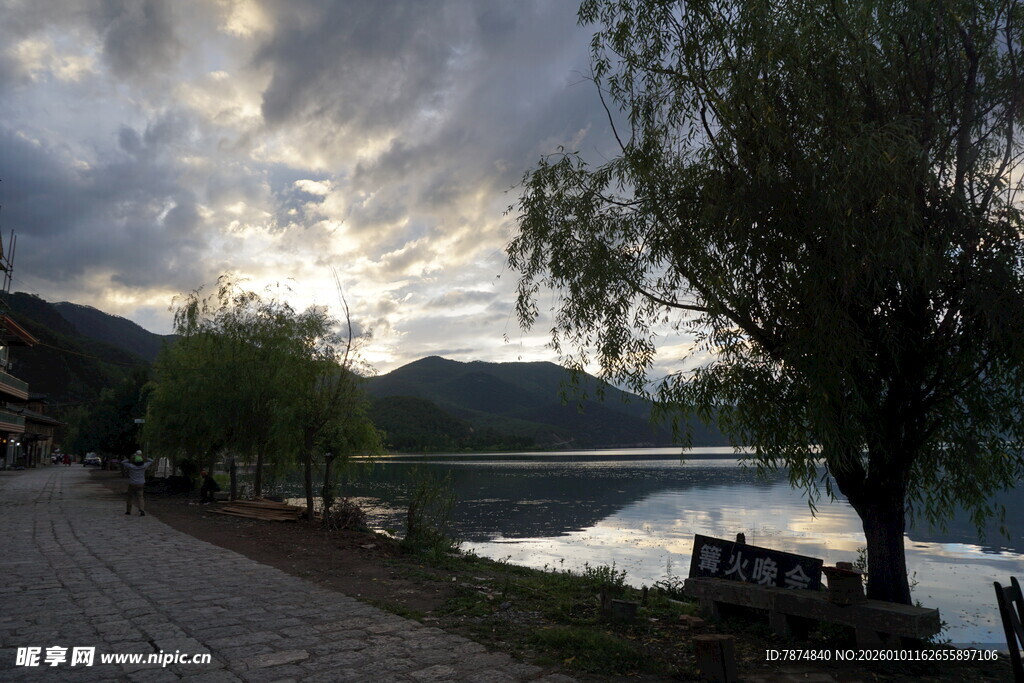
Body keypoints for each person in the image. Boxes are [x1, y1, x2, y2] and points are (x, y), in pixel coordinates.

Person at [122, 451, 153, 516]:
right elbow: (151, 461)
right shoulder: (144, 466)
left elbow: (123, 462)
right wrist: (144, 457)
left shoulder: (131, 466)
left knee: (130, 497)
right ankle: (142, 509)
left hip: (132, 483)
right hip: (141, 483)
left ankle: (128, 511)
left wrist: (131, 458)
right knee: (140, 497)